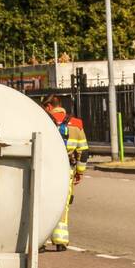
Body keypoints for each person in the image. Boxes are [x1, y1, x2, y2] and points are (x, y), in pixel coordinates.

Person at [43, 95, 89, 251]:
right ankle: (61, 240)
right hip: (66, 170)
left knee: (42, 202)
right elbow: (83, 151)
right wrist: (80, 172)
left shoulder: (43, 119)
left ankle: (41, 241)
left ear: (49, 106)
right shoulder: (76, 124)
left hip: (45, 168)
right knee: (63, 203)